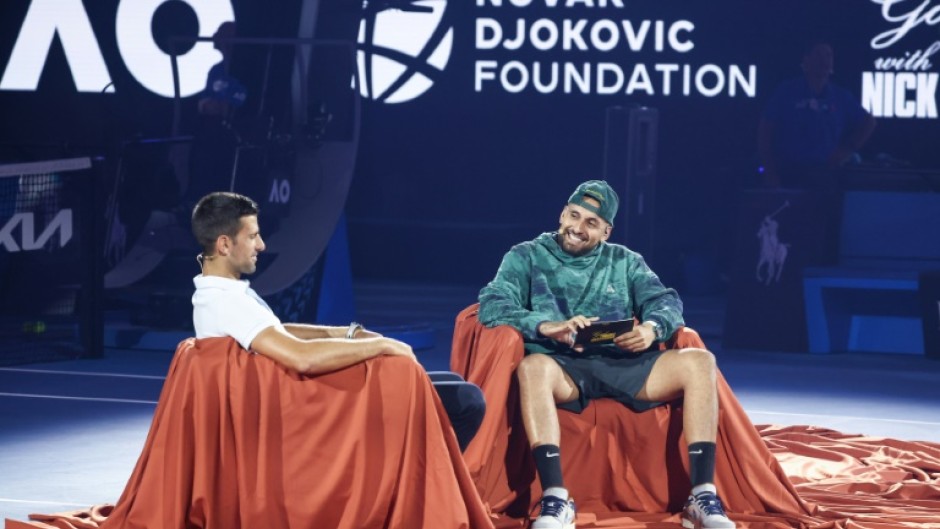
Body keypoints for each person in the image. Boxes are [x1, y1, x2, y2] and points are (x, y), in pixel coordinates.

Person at [478, 180, 735, 529]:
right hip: (563, 368)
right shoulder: (526, 255)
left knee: (700, 362)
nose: (577, 228)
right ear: (562, 213)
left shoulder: (625, 261)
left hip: (625, 364)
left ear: (606, 231)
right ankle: (556, 498)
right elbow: (493, 304)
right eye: (574, 215)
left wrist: (650, 330)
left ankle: (701, 494)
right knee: (532, 367)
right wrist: (546, 326)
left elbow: (666, 301)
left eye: (591, 223)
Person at [190, 191, 485, 451]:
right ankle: (424, 490)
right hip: (313, 410)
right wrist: (381, 346)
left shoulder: (222, 292)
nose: (262, 245)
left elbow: (276, 331)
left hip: (303, 397)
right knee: (465, 400)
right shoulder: (227, 302)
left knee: (453, 384)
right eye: (253, 236)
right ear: (225, 245)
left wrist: (347, 333)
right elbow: (301, 357)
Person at [758, 39, 876, 192]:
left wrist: (847, 149)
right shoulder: (787, 91)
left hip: (825, 173)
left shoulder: (840, 96)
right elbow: (765, 132)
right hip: (787, 172)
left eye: (828, 56)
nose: (824, 60)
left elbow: (869, 122)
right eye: (819, 55)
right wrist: (769, 172)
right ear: (806, 61)